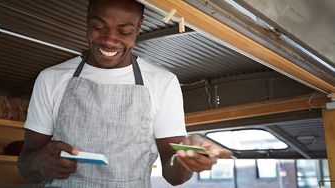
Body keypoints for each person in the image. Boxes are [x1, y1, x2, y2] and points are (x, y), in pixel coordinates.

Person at [18, 0, 232, 187]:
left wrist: (185, 160)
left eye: (124, 31)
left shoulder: (163, 83)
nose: (109, 40)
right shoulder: (51, 78)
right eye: (98, 26)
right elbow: (26, 165)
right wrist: (39, 161)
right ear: (87, 20)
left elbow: (172, 174)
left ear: (139, 27)